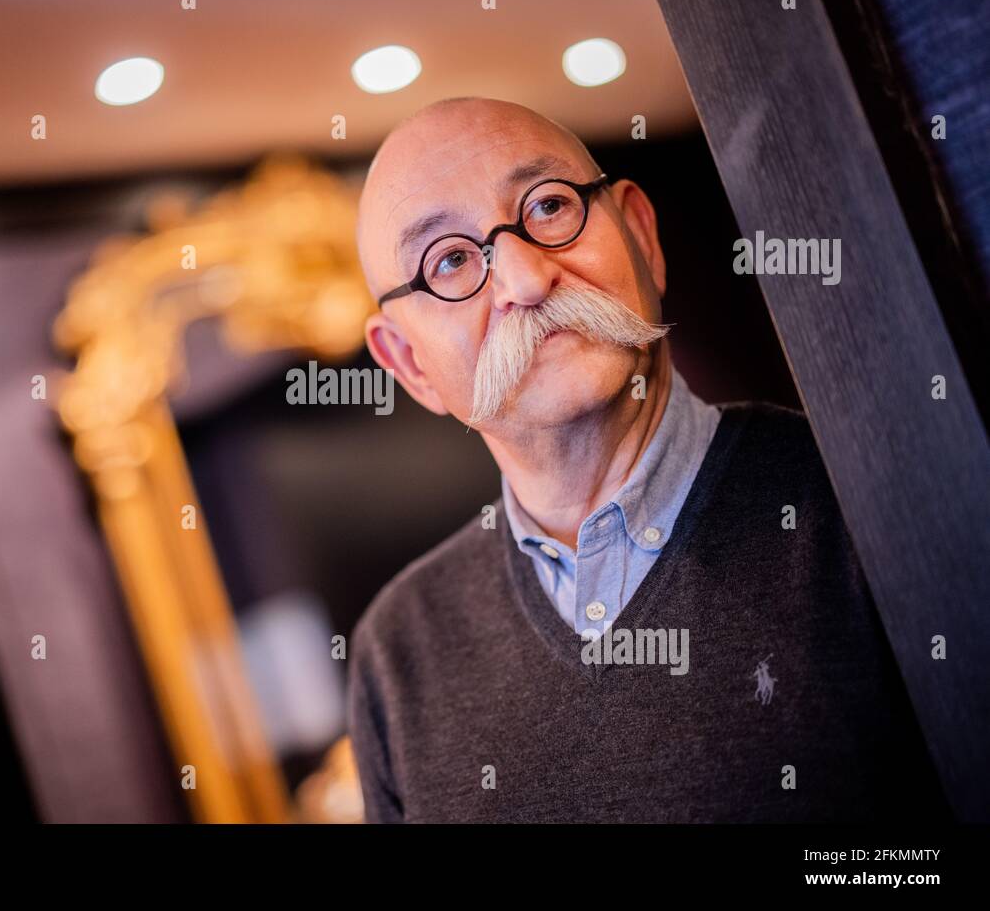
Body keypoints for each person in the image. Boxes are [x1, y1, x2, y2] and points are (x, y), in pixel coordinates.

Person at [346, 96, 947, 822]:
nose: (528, 281)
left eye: (547, 208)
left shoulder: (872, 496)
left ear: (640, 235)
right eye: (448, 261)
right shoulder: (397, 654)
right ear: (409, 364)